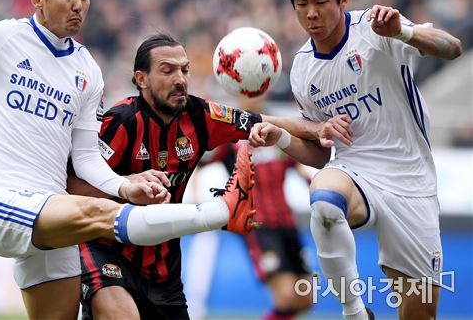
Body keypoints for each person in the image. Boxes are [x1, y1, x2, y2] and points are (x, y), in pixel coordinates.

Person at [0, 0, 260, 319]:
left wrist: (124, 185)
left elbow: (85, 157)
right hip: (0, 200)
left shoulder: (87, 69)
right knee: (103, 214)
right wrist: (119, 198)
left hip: (53, 215)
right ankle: (219, 211)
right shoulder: (0, 38)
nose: (78, 5)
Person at [249, 0, 463, 320]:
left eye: (320, 2)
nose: (311, 14)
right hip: (356, 171)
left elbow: (452, 48)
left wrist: (405, 32)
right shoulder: (303, 69)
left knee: (420, 315)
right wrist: (282, 138)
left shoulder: (378, 29)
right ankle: (354, 312)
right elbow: (320, 155)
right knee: (325, 199)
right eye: (301, 5)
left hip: (412, 183)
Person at [68, 33, 336, 320]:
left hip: (163, 266)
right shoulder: (121, 120)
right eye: (167, 70)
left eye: (184, 70)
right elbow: (73, 186)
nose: (180, 79)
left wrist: (317, 129)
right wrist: (127, 184)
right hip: (108, 249)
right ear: (141, 79)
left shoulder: (202, 115)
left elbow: (265, 121)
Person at [210, 95, 314, 320]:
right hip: (257, 224)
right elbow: (199, 161)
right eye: (246, 92)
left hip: (286, 221)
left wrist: (319, 190)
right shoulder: (230, 137)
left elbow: (299, 166)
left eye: (257, 91)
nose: (252, 97)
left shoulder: (276, 133)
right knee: (286, 296)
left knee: (307, 297)